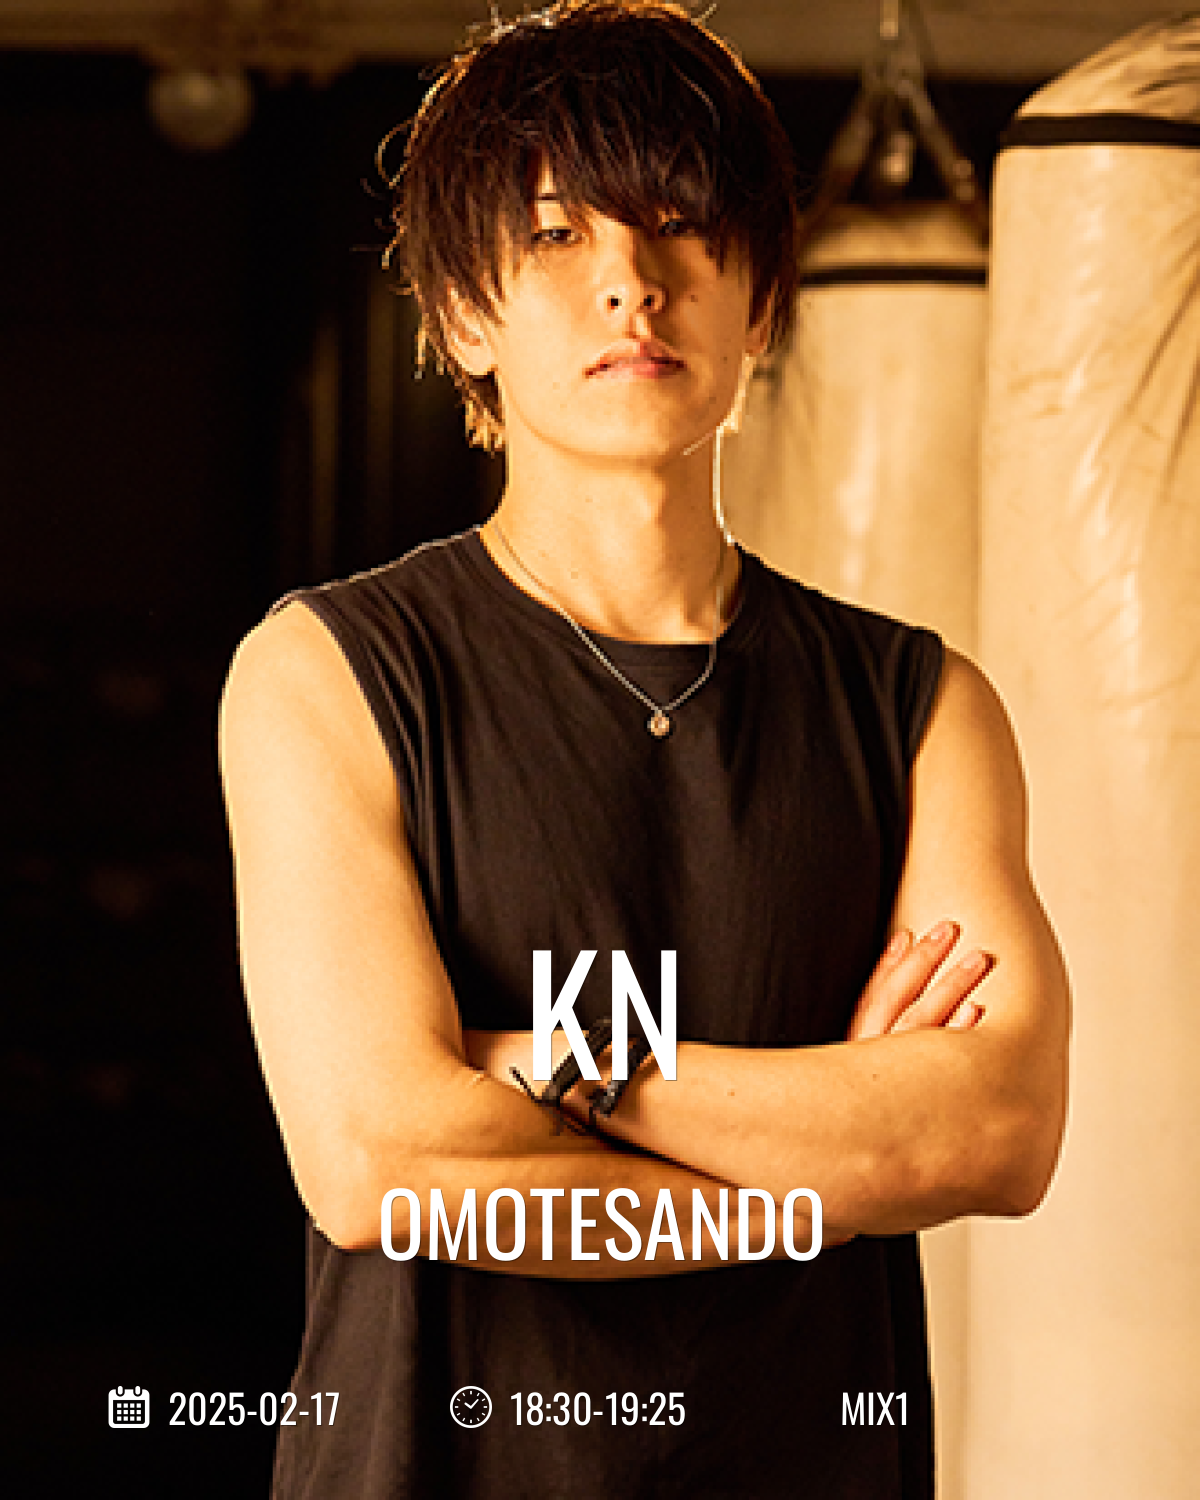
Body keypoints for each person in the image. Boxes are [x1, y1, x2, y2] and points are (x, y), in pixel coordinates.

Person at [218, 3, 1070, 1495]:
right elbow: (379, 1161)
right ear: (464, 316)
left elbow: (996, 1131)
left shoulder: (925, 705)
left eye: (680, 226)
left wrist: (556, 1070)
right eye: (557, 236)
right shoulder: (326, 674)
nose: (631, 281)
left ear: (762, 300)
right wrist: (827, 1174)